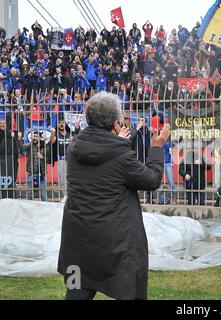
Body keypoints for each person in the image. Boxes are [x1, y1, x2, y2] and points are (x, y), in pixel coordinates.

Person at [58, 92, 170, 300]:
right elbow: (151, 180)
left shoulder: (74, 147)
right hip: (115, 242)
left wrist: (115, 141)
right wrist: (156, 148)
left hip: (78, 239)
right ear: (116, 124)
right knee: (129, 289)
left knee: (77, 289)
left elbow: (102, 157)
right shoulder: (120, 155)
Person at [18, 130, 53, 202]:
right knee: (30, 193)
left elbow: (49, 160)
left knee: (43, 193)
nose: (34, 138)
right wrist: (19, 139)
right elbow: (22, 147)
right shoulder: (30, 145)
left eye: (36, 136)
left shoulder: (45, 147)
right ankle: (29, 209)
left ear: (40, 138)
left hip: (42, 174)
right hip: (31, 173)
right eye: (34, 136)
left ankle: (45, 208)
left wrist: (42, 158)